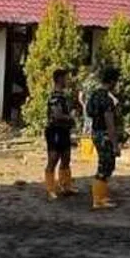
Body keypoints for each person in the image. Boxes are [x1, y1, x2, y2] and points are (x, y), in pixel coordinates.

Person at [86, 66, 121, 210]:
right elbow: (110, 123)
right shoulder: (107, 99)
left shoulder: (94, 95)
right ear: (112, 81)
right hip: (105, 134)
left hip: (95, 132)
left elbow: (88, 112)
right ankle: (99, 199)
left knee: (104, 164)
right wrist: (115, 144)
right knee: (106, 166)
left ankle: (100, 197)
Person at [44, 69, 77, 200]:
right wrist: (70, 117)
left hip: (64, 130)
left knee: (66, 157)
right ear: (59, 79)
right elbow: (57, 115)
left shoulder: (63, 96)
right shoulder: (55, 97)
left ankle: (65, 185)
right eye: (65, 78)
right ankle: (50, 188)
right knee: (53, 158)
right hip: (55, 131)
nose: (67, 81)